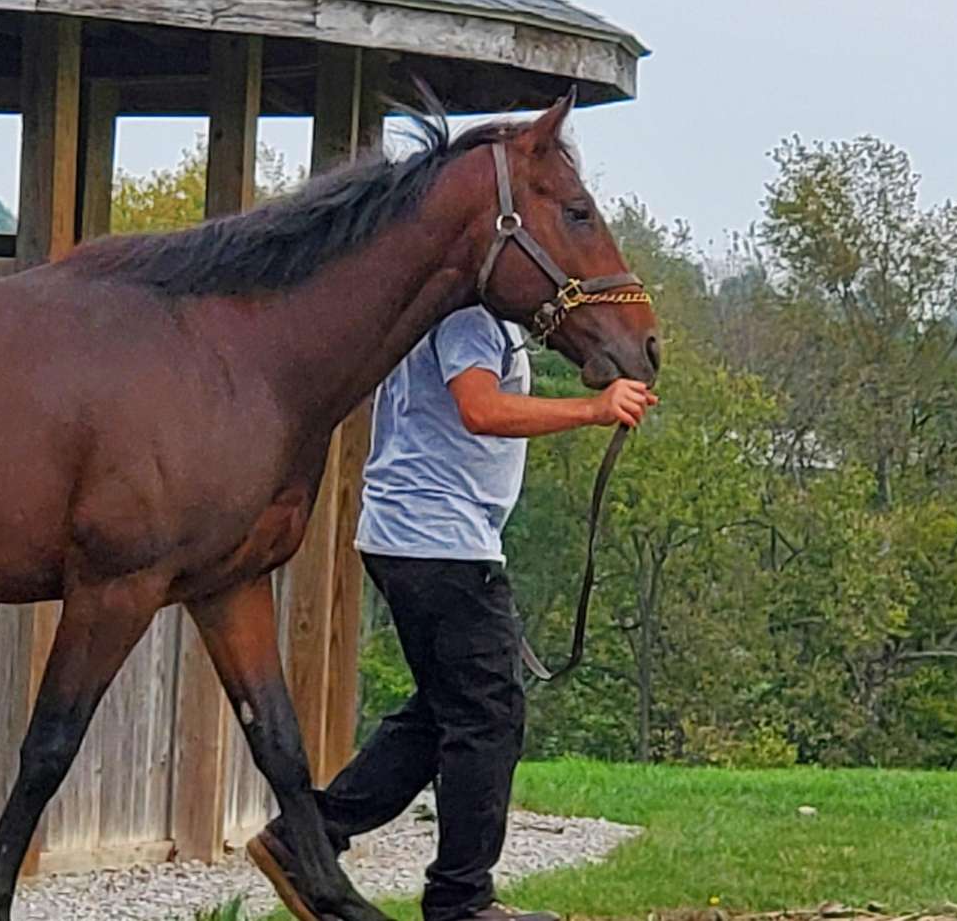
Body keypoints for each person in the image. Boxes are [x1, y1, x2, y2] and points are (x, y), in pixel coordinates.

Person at [251, 305, 656, 921]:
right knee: (491, 714)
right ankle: (461, 902)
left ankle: (307, 836)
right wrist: (593, 411)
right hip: (438, 540)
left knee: (447, 711)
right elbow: (481, 408)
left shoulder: (481, 317)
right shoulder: (468, 315)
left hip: (420, 537)